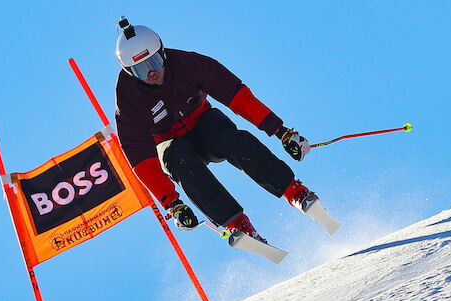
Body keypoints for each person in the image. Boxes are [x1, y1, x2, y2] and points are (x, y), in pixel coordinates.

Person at [114, 17, 320, 243]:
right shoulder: (128, 98)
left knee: (230, 138)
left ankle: (294, 192)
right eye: (141, 70)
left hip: (205, 124)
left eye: (153, 62)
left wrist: (281, 132)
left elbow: (237, 96)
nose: (152, 73)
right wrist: (172, 203)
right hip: (170, 142)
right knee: (177, 158)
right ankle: (237, 224)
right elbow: (140, 157)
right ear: (129, 71)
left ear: (162, 52)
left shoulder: (188, 64)